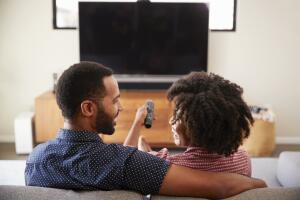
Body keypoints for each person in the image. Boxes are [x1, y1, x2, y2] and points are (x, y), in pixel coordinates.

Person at [25, 62, 266, 199]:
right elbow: (219, 185)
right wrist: (257, 184)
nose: (120, 108)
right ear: (88, 108)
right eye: (115, 101)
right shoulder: (128, 164)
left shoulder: (35, 160)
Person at [124, 72, 253, 177]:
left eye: (177, 116)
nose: (170, 121)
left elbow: (123, 163)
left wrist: (137, 124)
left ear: (195, 127)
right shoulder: (243, 160)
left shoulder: (162, 164)